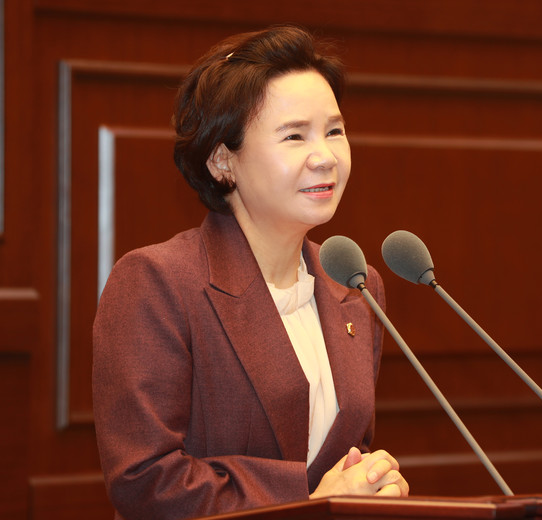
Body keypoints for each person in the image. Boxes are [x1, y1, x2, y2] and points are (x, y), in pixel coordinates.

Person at [92, 25, 408, 520]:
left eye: (334, 131)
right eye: (294, 136)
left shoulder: (355, 286)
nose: (325, 157)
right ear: (223, 160)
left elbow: (344, 457)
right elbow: (145, 482)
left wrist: (371, 484)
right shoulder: (157, 283)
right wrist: (309, 502)